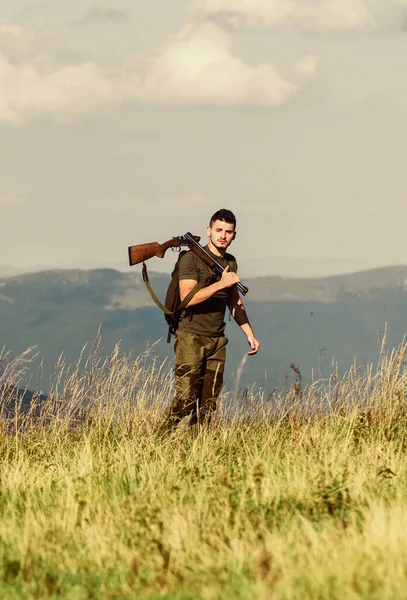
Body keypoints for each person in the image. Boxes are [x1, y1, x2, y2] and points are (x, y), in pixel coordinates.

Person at [163, 208, 260, 431]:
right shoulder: (191, 259)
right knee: (186, 400)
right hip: (191, 336)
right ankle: (158, 438)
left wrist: (249, 334)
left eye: (228, 232)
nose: (223, 235)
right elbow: (188, 298)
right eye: (218, 230)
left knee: (207, 404)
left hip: (217, 340)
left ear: (234, 235)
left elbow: (233, 301)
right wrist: (221, 284)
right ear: (208, 231)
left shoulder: (230, 262)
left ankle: (198, 450)